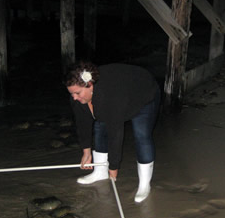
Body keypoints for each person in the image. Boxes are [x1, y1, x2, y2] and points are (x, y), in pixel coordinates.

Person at [65, 62, 161, 203]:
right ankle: (100, 171)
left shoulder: (110, 97)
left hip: (143, 93)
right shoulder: (77, 97)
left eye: (77, 93)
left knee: (141, 135)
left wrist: (114, 166)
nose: (74, 97)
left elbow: (115, 132)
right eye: (71, 93)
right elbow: (82, 123)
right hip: (119, 94)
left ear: (89, 85)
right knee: (99, 126)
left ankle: (144, 185)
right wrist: (86, 151)